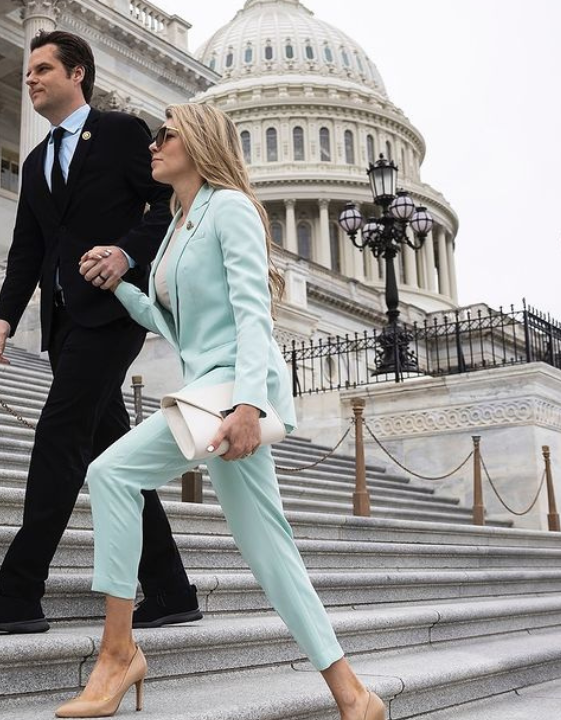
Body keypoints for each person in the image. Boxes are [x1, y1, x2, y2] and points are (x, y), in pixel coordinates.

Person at [56, 103, 385, 719]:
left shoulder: (228, 207)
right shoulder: (180, 223)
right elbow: (175, 326)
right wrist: (120, 284)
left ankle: (118, 653)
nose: (153, 145)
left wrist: (248, 407)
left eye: (166, 135)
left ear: (199, 142)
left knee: (111, 473)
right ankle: (356, 696)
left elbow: (253, 313)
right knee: (270, 548)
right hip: (208, 388)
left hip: (231, 393)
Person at [0, 31, 201, 634]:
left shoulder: (119, 133)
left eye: (43, 69)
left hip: (111, 314)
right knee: (112, 451)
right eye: (29, 70)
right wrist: (6, 312)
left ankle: (19, 591)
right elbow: (30, 244)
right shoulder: (35, 161)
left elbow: (167, 205)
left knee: (59, 435)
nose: (29, 78)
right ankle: (170, 588)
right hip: (64, 324)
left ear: (76, 73)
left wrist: (125, 255)